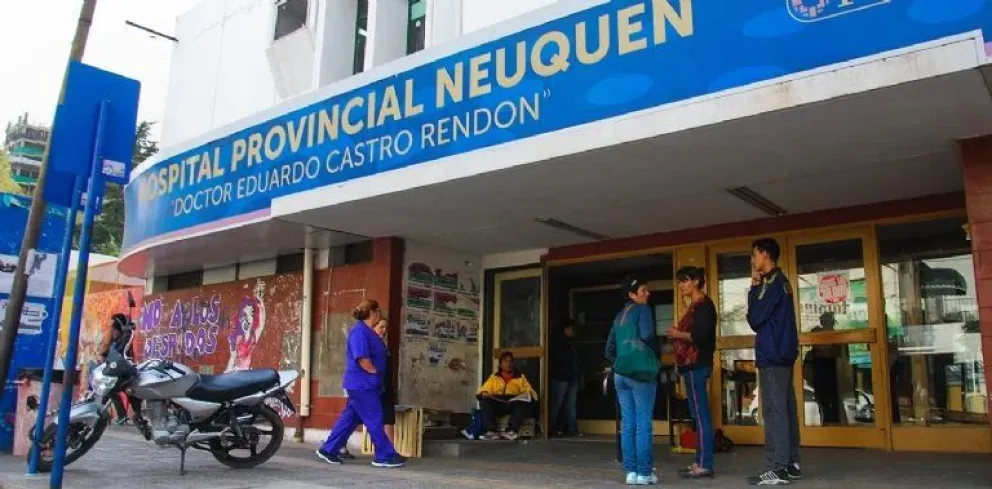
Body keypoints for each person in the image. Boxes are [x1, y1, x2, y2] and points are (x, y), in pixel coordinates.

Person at [316, 299, 406, 468]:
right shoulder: (359, 332)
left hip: (364, 385)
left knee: (350, 419)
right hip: (363, 385)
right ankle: (385, 455)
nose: (380, 315)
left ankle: (328, 449)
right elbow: (362, 358)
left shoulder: (366, 331)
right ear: (372, 313)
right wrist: (374, 373)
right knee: (375, 419)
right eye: (378, 312)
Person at [746, 238, 801, 486]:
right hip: (783, 354)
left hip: (773, 355)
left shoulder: (772, 282)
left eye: (754, 255)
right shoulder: (783, 282)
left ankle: (777, 467)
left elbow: (755, 318)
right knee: (786, 409)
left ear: (765, 255)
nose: (752, 261)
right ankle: (791, 463)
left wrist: (753, 288)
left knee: (775, 411)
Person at [605, 275, 659, 486]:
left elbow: (609, 348)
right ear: (632, 295)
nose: (647, 293)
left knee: (628, 423)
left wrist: (621, 362)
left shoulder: (619, 315)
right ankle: (645, 473)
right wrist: (655, 357)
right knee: (643, 423)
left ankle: (631, 473)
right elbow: (647, 336)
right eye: (643, 290)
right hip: (641, 374)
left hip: (620, 375)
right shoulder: (643, 310)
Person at [668, 266, 717, 479]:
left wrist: (678, 333)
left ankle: (705, 463)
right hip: (689, 366)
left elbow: (701, 335)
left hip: (697, 365)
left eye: (685, 281)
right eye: (679, 282)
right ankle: (698, 460)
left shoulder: (704, 306)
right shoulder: (694, 306)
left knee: (701, 414)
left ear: (696, 281)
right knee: (696, 415)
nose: (681, 285)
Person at [340, 316, 396, 459]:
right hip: (367, 386)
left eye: (386, 328)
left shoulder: (381, 344)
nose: (384, 331)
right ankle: (386, 454)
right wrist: (375, 376)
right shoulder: (364, 339)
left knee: (386, 417)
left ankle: (390, 451)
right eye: (381, 327)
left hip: (383, 385)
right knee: (363, 419)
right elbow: (363, 361)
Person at [476, 351, 538, 441]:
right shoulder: (494, 378)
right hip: (498, 404)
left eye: (510, 361)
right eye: (505, 361)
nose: (508, 364)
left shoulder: (520, 378)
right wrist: (484, 394)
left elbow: (531, 393)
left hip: (513, 404)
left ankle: (511, 431)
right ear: (500, 365)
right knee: (485, 402)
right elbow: (481, 392)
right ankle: (491, 432)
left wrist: (529, 396)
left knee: (525, 404)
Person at [100, 313, 133, 426]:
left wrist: (105, 353)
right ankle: (102, 414)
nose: (111, 333)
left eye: (113, 330)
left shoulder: (125, 337)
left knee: (110, 390)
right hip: (119, 368)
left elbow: (118, 354)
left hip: (123, 369)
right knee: (107, 389)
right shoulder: (121, 339)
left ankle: (122, 415)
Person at [550, 319, 581, 437]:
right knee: (557, 404)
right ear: (566, 329)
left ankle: (571, 428)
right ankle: (552, 427)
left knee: (570, 404)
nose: (573, 331)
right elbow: (560, 360)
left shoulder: (570, 343)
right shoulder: (559, 343)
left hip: (570, 376)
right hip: (561, 376)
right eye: (571, 329)